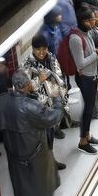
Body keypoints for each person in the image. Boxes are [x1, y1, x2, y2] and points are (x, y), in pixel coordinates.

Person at [0, 69, 64, 196]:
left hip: (12, 149)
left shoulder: (1, 100)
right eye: (30, 82)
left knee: (19, 179)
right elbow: (53, 117)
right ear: (26, 85)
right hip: (33, 149)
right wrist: (57, 99)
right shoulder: (30, 107)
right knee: (38, 180)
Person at [69, 6, 98, 155]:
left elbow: (91, 53)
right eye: (91, 20)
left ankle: (87, 134)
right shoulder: (75, 39)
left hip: (92, 74)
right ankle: (83, 141)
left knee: (90, 106)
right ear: (82, 21)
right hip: (85, 78)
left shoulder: (87, 32)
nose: (94, 22)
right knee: (88, 109)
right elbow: (80, 63)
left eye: (94, 19)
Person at [25, 34, 69, 162]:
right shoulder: (27, 65)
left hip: (53, 103)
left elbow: (59, 76)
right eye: (38, 49)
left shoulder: (52, 58)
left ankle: (51, 161)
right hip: (39, 108)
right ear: (32, 49)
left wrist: (61, 94)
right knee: (42, 138)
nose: (41, 52)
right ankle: (47, 164)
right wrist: (39, 80)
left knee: (50, 135)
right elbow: (25, 88)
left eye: (44, 48)